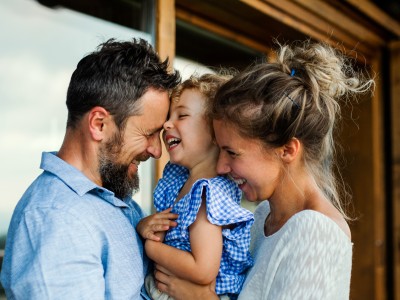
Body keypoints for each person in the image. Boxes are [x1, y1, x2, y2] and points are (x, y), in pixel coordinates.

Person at [152, 41, 374, 299]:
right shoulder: (263, 217)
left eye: (232, 152)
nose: (222, 167)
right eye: (220, 150)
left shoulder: (316, 232)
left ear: (288, 150)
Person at [0, 38, 180, 299]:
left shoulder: (115, 198)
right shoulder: (58, 220)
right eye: (148, 133)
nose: (156, 150)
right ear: (98, 124)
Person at [136, 74, 254, 300]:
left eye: (182, 115)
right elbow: (162, 226)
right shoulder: (180, 181)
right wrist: (145, 225)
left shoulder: (207, 194)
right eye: (169, 116)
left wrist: (150, 247)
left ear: (214, 133)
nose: (167, 124)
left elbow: (203, 269)